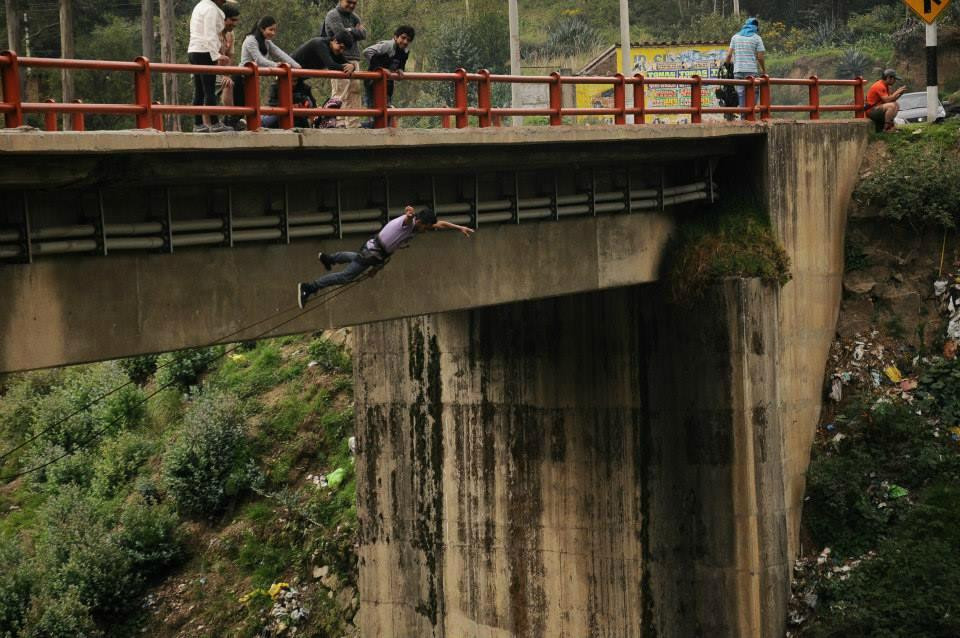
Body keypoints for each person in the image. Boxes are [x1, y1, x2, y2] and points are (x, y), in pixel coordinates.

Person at [297, 205, 474, 308]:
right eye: (426, 227)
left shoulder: (415, 226)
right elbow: (407, 218)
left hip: (374, 251)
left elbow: (440, 224)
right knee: (346, 276)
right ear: (420, 222)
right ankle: (309, 287)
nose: (427, 231)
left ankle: (329, 259)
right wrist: (409, 214)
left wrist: (459, 228)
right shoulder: (409, 223)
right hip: (372, 253)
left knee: (355, 257)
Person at [260, 31, 355, 129]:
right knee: (282, 111)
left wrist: (352, 66)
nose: (341, 51)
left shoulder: (335, 49)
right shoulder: (320, 44)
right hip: (286, 78)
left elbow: (345, 63)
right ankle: (260, 121)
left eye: (344, 49)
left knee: (307, 108)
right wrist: (347, 67)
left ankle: (317, 122)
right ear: (335, 41)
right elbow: (331, 65)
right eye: (341, 47)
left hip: (299, 81)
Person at [233, 16, 302, 127]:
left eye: (275, 30)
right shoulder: (250, 40)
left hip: (251, 80)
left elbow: (280, 53)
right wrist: (277, 65)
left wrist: (296, 66)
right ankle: (234, 127)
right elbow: (259, 60)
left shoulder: (267, 42)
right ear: (261, 29)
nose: (273, 33)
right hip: (241, 78)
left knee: (249, 107)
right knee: (240, 107)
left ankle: (245, 127)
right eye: (271, 29)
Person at [321, 0, 367, 127]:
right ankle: (337, 122)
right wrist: (353, 31)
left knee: (355, 90)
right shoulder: (332, 15)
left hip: (354, 59)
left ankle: (353, 123)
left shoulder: (355, 16)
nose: (351, 5)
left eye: (354, 3)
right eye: (349, 2)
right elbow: (341, 35)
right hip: (339, 58)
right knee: (340, 90)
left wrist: (349, 31)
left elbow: (364, 34)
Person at [188, 0, 231, 133]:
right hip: (204, 52)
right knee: (209, 89)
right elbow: (210, 34)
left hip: (194, 51)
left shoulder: (201, 6)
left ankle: (198, 123)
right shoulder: (211, 9)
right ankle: (215, 123)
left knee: (200, 89)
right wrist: (216, 55)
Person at [362, 25, 414, 118]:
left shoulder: (405, 51)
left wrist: (400, 69)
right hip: (373, 82)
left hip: (388, 84)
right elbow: (367, 51)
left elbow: (401, 63)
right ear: (396, 37)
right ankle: (367, 128)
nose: (405, 41)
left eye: (408, 40)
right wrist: (380, 68)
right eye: (403, 38)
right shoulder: (387, 45)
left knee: (386, 111)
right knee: (373, 110)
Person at [723, 17, 766, 118]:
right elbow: (760, 57)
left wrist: (727, 66)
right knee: (754, 91)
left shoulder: (735, 37)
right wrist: (764, 70)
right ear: (755, 28)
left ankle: (743, 117)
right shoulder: (757, 38)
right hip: (751, 71)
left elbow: (729, 55)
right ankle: (750, 114)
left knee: (741, 94)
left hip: (738, 71)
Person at [216, 4, 241, 128]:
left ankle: (230, 118)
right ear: (223, 19)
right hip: (209, 69)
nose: (235, 24)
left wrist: (226, 74)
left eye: (237, 20)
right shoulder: (214, 32)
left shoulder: (231, 34)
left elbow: (230, 56)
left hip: (221, 71)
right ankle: (206, 124)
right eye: (233, 20)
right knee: (205, 94)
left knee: (229, 82)